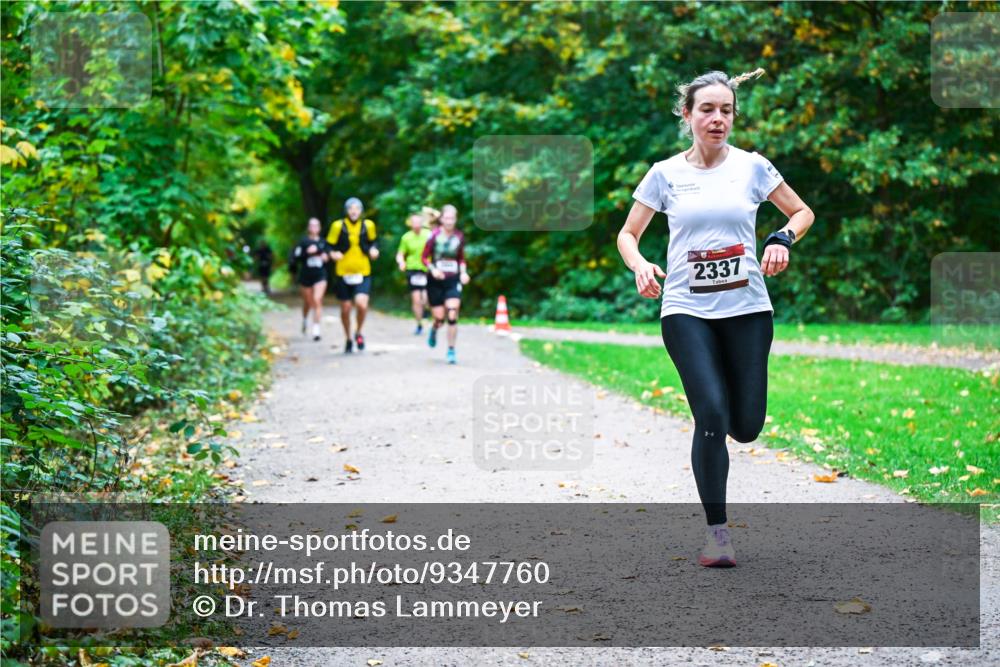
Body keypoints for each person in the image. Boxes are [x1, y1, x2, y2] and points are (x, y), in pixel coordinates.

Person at [616, 68, 815, 567]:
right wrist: (640, 265)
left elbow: (802, 212)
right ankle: (717, 536)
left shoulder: (751, 167)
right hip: (686, 309)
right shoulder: (665, 174)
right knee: (710, 413)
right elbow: (627, 234)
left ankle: (731, 409)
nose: (718, 119)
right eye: (707, 109)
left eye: (726, 110)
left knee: (745, 426)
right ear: (687, 115)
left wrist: (781, 238)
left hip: (747, 309)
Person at [327, 197, 379, 354]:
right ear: (346, 210)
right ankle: (348, 338)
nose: (354, 211)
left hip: (363, 271)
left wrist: (374, 250)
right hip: (343, 272)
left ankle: (359, 332)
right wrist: (333, 253)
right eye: (351, 208)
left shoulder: (368, 225)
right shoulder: (338, 226)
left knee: (362, 304)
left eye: (357, 208)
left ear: (361, 211)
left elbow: (374, 242)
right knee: (346, 308)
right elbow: (328, 245)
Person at [421, 204, 469, 365]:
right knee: (440, 318)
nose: (449, 221)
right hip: (435, 281)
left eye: (452, 218)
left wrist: (463, 272)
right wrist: (433, 269)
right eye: (446, 218)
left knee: (453, 313)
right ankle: (434, 328)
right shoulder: (433, 236)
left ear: (455, 220)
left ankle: (451, 350)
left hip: (452, 279)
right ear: (441, 219)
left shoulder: (459, 237)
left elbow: (461, 258)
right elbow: (424, 258)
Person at [288, 218, 331, 341]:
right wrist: (307, 253)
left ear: (320, 227)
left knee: (317, 300)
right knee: (308, 302)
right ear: (308, 228)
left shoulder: (323, 242)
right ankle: (305, 320)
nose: (314, 228)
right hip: (306, 276)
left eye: (316, 225)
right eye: (311, 225)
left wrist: (323, 255)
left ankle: (316, 329)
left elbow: (328, 256)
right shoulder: (303, 242)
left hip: (320, 275)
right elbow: (295, 257)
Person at [396, 211, 434, 334]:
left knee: (427, 299)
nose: (416, 224)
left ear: (422, 223)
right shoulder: (406, 237)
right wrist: (401, 262)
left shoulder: (429, 234)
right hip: (413, 270)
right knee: (416, 300)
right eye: (414, 222)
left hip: (427, 269)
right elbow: (400, 254)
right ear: (410, 224)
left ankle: (427, 313)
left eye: (418, 222)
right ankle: (419, 324)